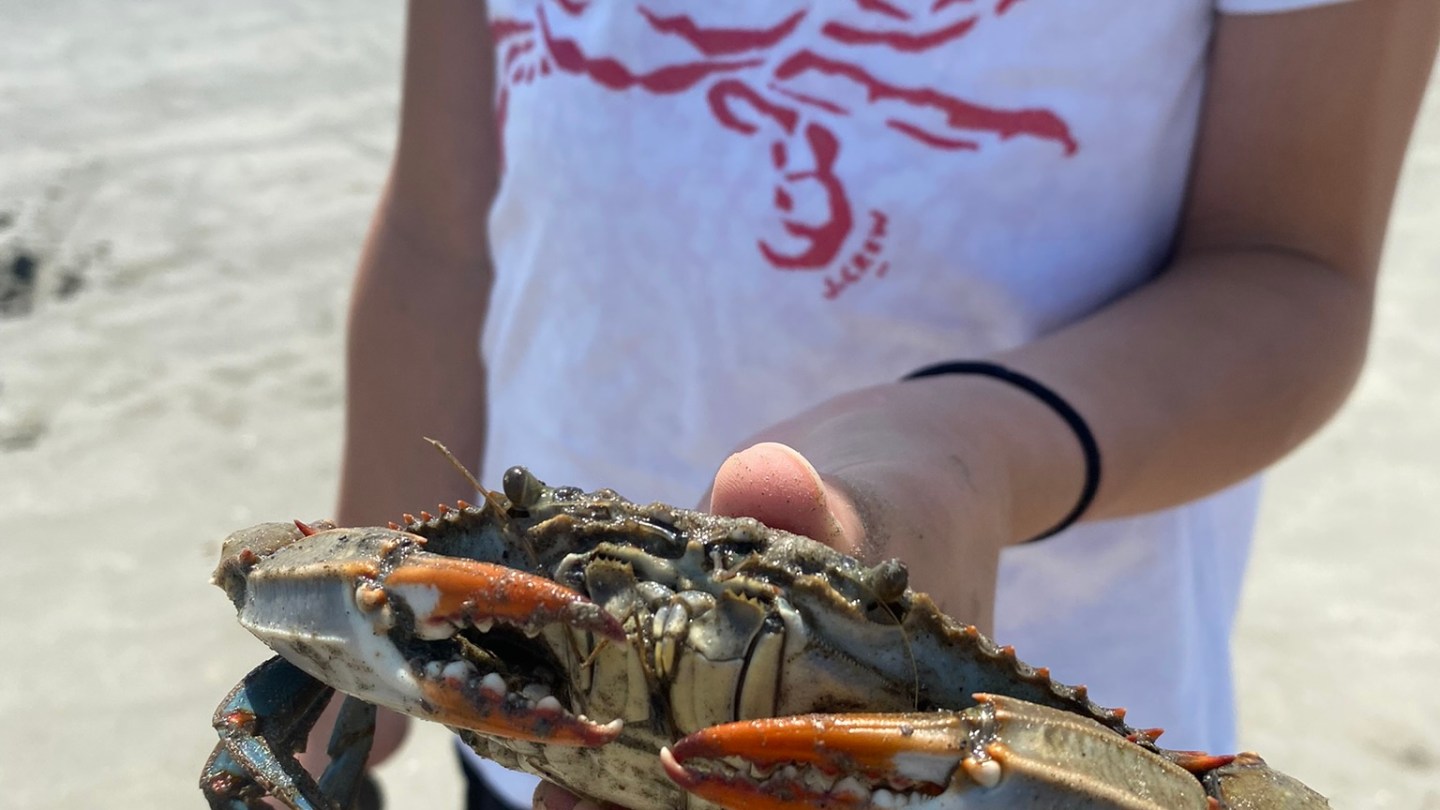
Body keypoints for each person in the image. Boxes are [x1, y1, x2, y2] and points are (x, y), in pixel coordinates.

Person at [320, 1, 1440, 808]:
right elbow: (445, 235)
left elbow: (1291, 263)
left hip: (1007, 758)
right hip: (536, 716)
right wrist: (345, 667)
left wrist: (969, 455)